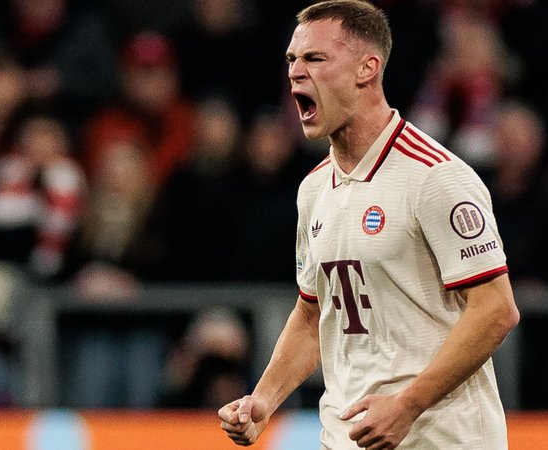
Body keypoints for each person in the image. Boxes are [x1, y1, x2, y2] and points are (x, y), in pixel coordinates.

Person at [217, 2, 520, 449]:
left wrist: (408, 404)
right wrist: (264, 399)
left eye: (315, 59)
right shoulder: (314, 189)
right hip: (345, 438)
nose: (296, 73)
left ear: (367, 68)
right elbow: (313, 312)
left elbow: (496, 309)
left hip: (440, 439)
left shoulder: (434, 177)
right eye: (291, 61)